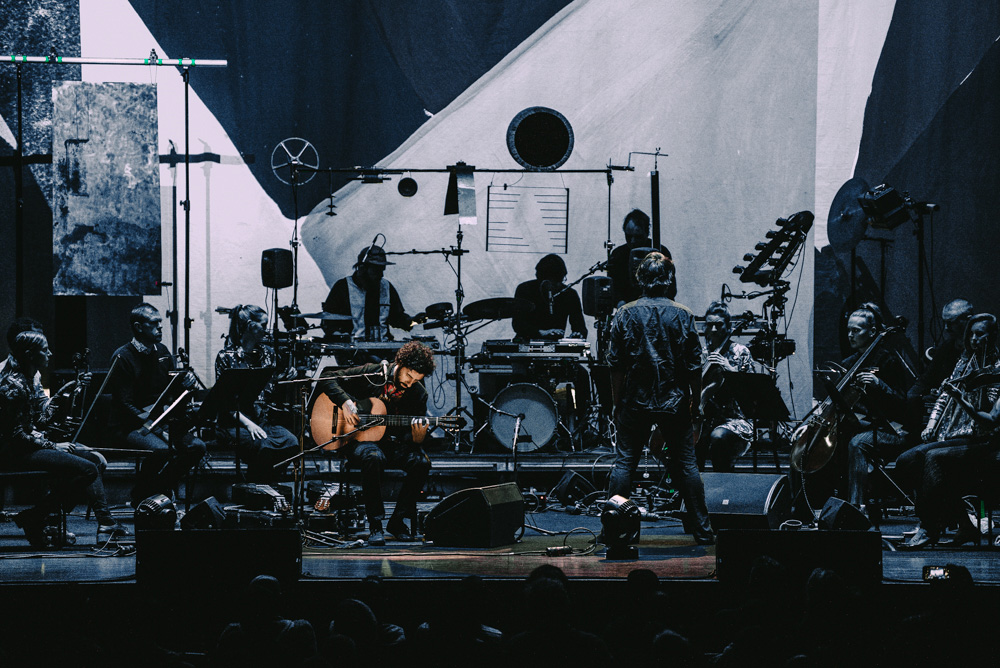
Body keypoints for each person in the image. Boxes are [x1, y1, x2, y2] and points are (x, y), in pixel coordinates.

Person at [606, 252, 713, 544]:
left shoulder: (624, 313)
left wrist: (617, 402)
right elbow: (694, 367)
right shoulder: (683, 314)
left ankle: (612, 529)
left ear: (640, 279)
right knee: (687, 466)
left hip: (635, 401)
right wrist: (695, 403)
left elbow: (615, 365)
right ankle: (703, 531)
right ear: (669, 281)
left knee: (624, 464)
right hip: (674, 401)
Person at [0, 330, 125, 545]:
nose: (50, 353)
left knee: (92, 460)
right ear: (30, 354)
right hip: (13, 453)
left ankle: (42, 517)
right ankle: (39, 517)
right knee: (88, 469)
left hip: (27, 447)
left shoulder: (29, 379)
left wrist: (69, 389)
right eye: (44, 349)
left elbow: (41, 419)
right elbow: (15, 436)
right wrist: (53, 446)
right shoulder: (12, 386)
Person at [895, 313, 999, 548]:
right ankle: (962, 522)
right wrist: (931, 424)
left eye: (980, 334)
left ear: (992, 336)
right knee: (906, 461)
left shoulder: (996, 369)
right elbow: (944, 397)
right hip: (953, 434)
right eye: (971, 334)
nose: (974, 339)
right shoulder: (963, 363)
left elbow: (989, 414)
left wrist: (966, 395)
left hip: (980, 438)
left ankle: (929, 526)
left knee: (931, 458)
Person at [317, 341, 435, 546]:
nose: (410, 383)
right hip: (359, 440)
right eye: (409, 376)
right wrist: (345, 402)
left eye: (416, 380)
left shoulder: (418, 394)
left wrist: (417, 438)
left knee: (421, 462)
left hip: (391, 443)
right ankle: (375, 524)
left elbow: (409, 438)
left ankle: (397, 522)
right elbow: (327, 377)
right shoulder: (373, 373)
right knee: (373, 457)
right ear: (400, 364)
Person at [108, 303, 206, 507]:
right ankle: (148, 494)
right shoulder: (122, 357)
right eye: (154, 323)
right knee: (161, 450)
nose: (160, 327)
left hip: (159, 420)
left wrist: (186, 385)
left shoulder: (162, 351)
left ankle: (154, 490)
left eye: (160, 323)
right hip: (131, 424)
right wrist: (160, 431)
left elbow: (171, 393)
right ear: (138, 327)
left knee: (197, 447)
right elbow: (125, 405)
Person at [837, 304, 912, 513]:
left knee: (858, 443)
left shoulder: (888, 360)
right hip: (861, 425)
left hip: (890, 430)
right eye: (848, 330)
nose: (850, 335)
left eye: (856, 330)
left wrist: (880, 384)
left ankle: (857, 506)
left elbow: (901, 403)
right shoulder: (849, 363)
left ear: (872, 332)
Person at [215, 304, 299, 481]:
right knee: (262, 446)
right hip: (235, 422)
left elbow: (272, 388)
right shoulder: (226, 357)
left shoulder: (268, 354)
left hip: (261, 419)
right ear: (250, 326)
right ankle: (257, 484)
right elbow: (225, 402)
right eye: (263, 325)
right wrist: (249, 425)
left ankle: (264, 481)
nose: (266, 330)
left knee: (291, 442)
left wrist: (286, 378)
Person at [697, 301, 754, 472]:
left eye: (719, 325)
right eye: (710, 325)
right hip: (705, 418)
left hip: (735, 419)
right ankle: (693, 484)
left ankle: (723, 482)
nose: (714, 329)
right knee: (689, 438)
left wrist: (729, 368)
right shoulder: (702, 353)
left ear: (728, 327)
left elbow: (750, 389)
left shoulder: (740, 351)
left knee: (718, 436)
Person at [905, 298, 974, 436]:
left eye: (951, 323)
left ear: (968, 320)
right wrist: (913, 396)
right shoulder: (946, 347)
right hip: (942, 405)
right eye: (945, 323)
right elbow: (927, 378)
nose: (946, 328)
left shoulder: (980, 350)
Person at [321, 245, 418, 342]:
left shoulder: (386, 286)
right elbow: (328, 321)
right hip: (352, 347)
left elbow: (397, 318)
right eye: (376, 271)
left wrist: (414, 321)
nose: (381, 275)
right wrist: (339, 335)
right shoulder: (343, 287)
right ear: (362, 269)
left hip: (382, 346)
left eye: (382, 270)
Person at [606, 209, 674, 306]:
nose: (632, 241)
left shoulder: (661, 252)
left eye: (638, 237)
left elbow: (671, 287)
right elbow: (613, 287)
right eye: (628, 236)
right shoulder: (618, 254)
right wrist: (619, 302)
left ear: (647, 233)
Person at [511, 254, 587, 341]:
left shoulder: (569, 294)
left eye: (559, 282)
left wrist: (578, 334)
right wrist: (541, 332)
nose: (556, 286)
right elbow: (518, 324)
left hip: (555, 343)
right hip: (527, 341)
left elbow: (579, 325)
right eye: (552, 283)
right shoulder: (525, 289)